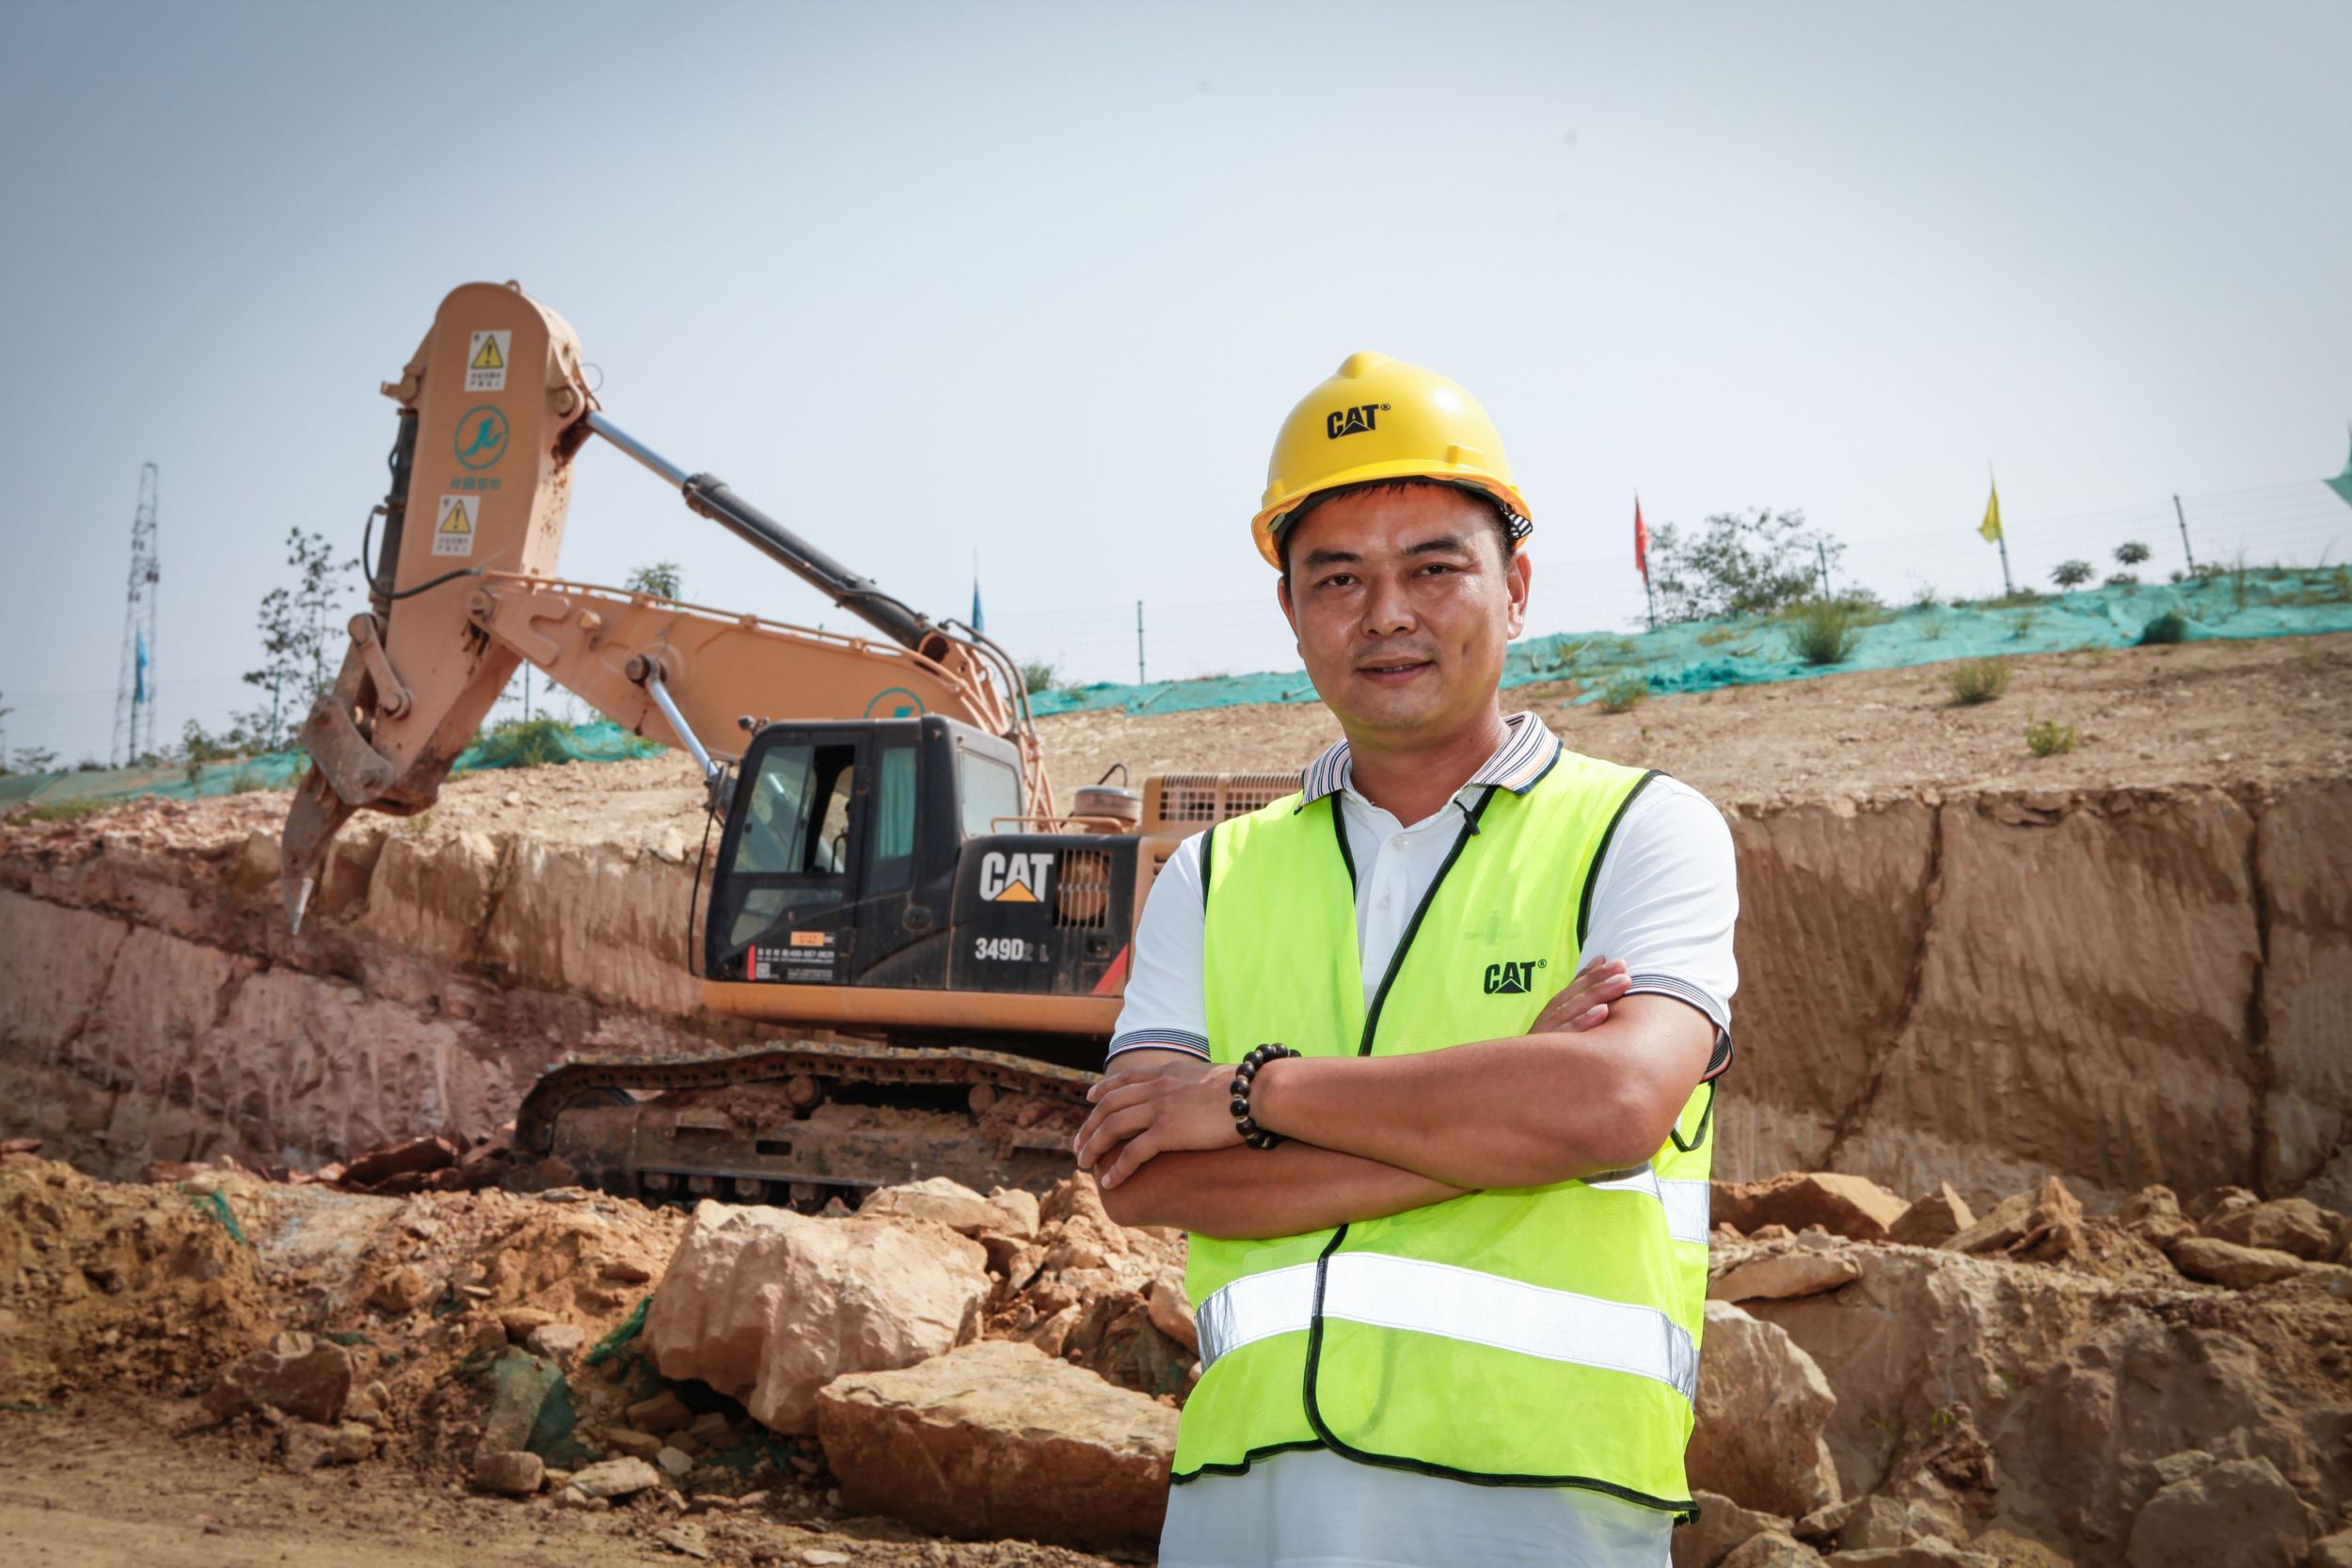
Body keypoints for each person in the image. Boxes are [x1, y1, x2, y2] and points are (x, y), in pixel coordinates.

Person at [1072, 352, 1739, 1568]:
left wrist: (1250, 1097)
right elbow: (1140, 1175)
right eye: (1339, 578)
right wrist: (1501, 1114)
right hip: (1245, 1501)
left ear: (1517, 585)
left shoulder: (1642, 833)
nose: (1386, 613)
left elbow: (1612, 1103)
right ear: (1290, 610)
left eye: (1434, 568)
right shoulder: (1211, 877)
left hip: (1537, 1497)